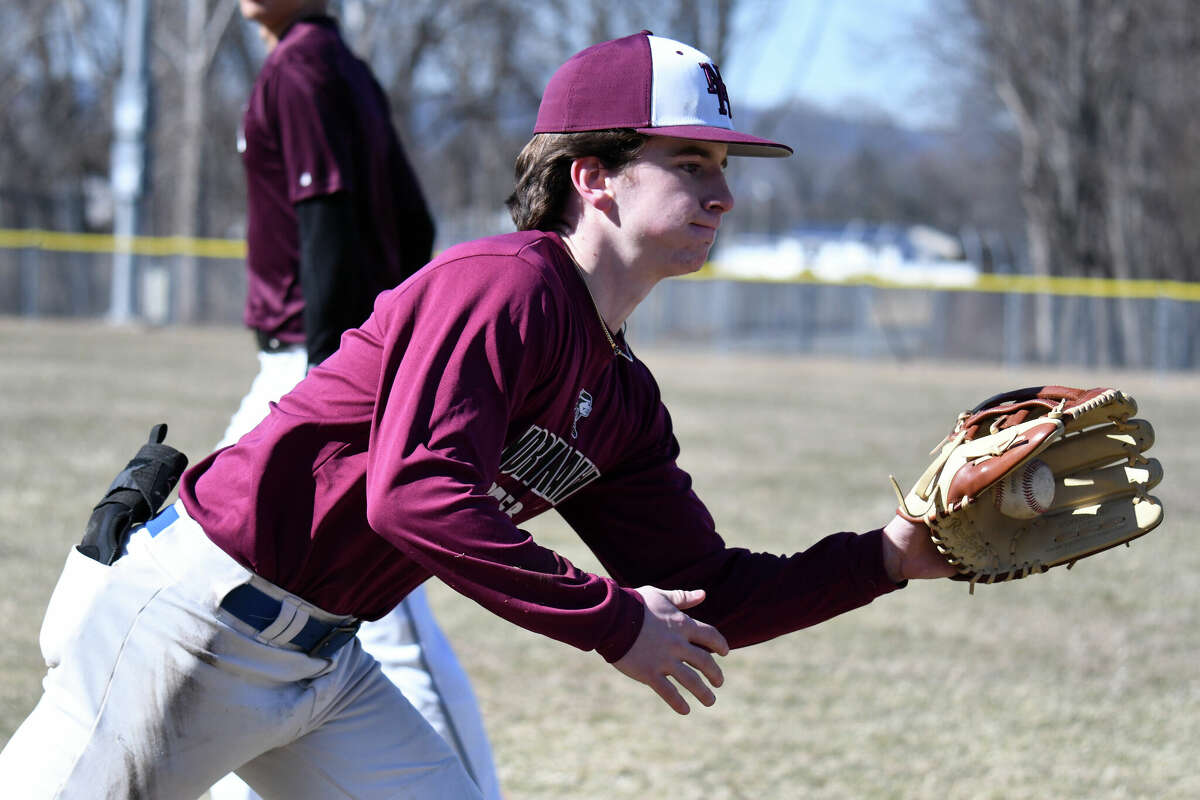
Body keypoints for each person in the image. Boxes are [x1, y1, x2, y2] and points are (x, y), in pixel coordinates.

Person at [0, 30, 955, 799]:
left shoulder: (620, 393)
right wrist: (611, 622)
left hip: (324, 666)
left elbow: (701, 589)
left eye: (724, 166)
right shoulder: (504, 289)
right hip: (189, 628)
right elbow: (412, 496)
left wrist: (887, 556)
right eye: (691, 161)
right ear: (594, 176)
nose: (724, 192)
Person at [216, 1, 500, 798]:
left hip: (315, 373)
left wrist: (341, 383)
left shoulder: (304, 66)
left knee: (390, 627)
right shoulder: (339, 66)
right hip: (323, 368)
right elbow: (415, 224)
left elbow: (333, 230)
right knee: (225, 601)